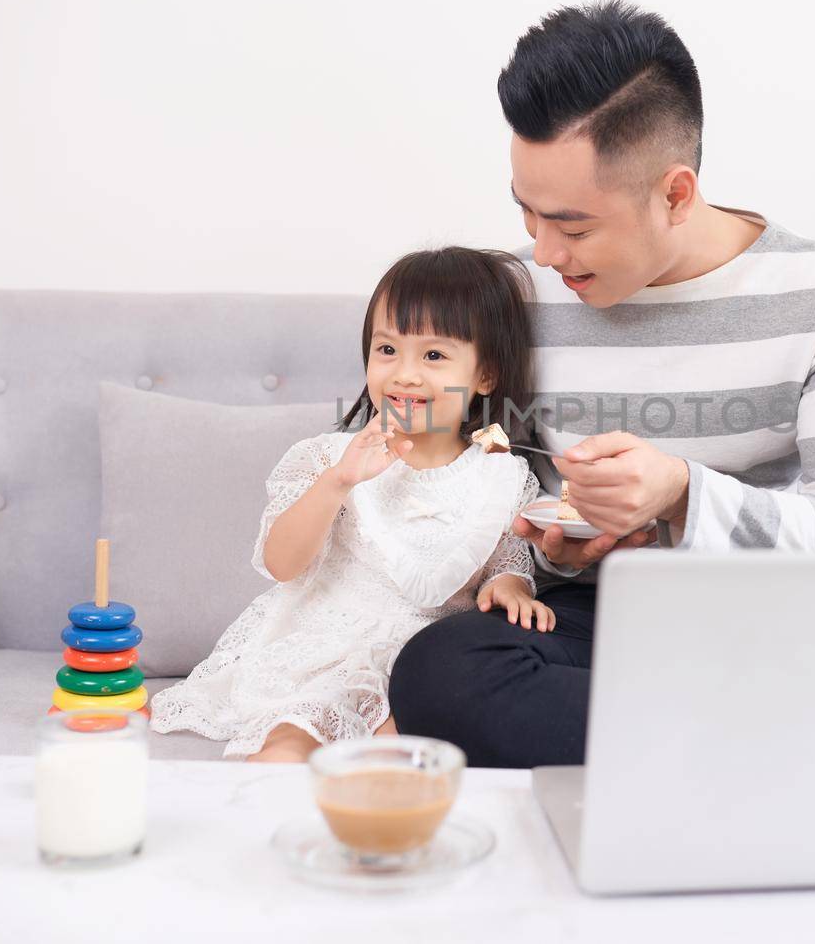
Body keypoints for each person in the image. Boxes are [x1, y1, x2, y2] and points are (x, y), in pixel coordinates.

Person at [389, 0, 815, 767]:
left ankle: (716, 736)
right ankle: (758, 746)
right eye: (526, 214)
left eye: (573, 225)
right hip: (598, 621)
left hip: (758, 620)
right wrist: (558, 545)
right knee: (438, 669)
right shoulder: (522, 294)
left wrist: (681, 494)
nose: (544, 252)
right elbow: (499, 484)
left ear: (675, 194)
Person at [149, 247, 549, 763]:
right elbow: (282, 563)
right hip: (331, 649)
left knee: (400, 759)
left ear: (485, 376)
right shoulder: (330, 458)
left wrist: (510, 587)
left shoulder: (501, 475)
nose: (404, 374)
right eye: (387, 351)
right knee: (292, 741)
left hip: (424, 662)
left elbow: (504, 562)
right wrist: (336, 483)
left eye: (433, 355)